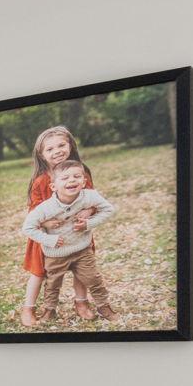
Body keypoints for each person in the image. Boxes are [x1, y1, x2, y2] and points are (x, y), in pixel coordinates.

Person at [18, 125, 94, 328]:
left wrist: (89, 212)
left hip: (77, 232)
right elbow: (33, 212)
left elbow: (91, 198)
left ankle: (81, 303)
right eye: (50, 149)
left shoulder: (81, 171)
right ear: (41, 155)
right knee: (39, 272)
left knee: (82, 269)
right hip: (46, 236)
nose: (57, 151)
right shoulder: (41, 181)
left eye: (61, 145)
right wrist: (44, 222)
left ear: (70, 145)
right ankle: (29, 308)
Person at [23, 159, 117, 322]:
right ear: (53, 186)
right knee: (53, 284)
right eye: (65, 178)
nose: (72, 180)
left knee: (93, 279)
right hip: (55, 254)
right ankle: (49, 310)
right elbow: (27, 228)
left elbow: (108, 209)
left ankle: (103, 306)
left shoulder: (89, 196)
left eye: (76, 176)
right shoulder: (46, 207)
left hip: (82, 250)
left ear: (84, 181)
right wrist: (49, 239)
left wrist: (89, 223)